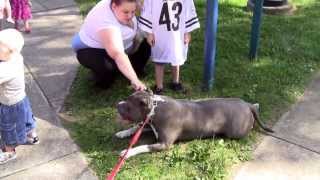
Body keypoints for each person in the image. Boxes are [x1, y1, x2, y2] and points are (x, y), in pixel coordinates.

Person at [71, 0, 151, 91]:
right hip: (94, 49)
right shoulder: (106, 22)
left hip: (125, 45)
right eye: (126, 12)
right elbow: (118, 54)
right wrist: (135, 80)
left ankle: (129, 69)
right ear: (113, 6)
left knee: (146, 44)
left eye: (133, 11)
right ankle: (102, 74)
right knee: (107, 77)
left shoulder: (125, 6)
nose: (130, 16)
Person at [139, 0, 200, 94]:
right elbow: (147, 13)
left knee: (176, 57)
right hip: (159, 33)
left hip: (177, 33)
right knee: (159, 60)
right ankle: (159, 86)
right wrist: (149, 33)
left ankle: (175, 82)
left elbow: (188, 11)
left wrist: (187, 32)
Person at [0, 29, 39, 165]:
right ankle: (32, 135)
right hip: (22, 98)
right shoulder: (17, 57)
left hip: (9, 105)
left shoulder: (5, 69)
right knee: (26, 117)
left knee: (8, 127)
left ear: (11, 51)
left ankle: (9, 150)